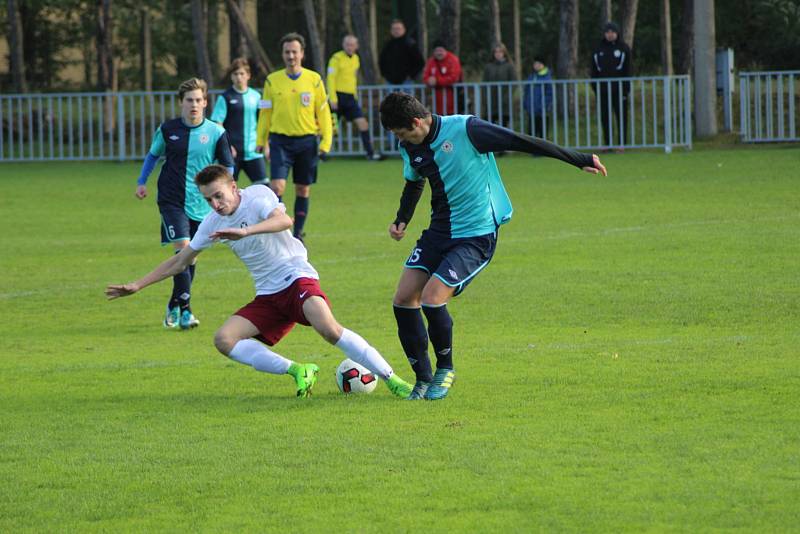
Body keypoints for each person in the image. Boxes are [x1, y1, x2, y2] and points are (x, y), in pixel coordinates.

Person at [107, 165, 414, 399]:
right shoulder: (212, 223)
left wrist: (245, 232)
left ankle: (392, 379)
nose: (214, 204)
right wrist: (137, 284)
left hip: (296, 276)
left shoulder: (258, 195)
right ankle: (298, 370)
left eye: (218, 195)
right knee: (224, 340)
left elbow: (285, 220)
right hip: (268, 294)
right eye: (208, 199)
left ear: (233, 187)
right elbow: (180, 261)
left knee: (328, 328)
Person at [378, 92, 606, 400]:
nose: (401, 140)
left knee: (432, 298)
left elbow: (521, 141)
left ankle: (445, 368)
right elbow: (415, 180)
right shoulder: (410, 146)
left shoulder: (466, 130)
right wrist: (402, 219)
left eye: (402, 133)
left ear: (417, 122)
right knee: (403, 298)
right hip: (438, 232)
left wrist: (578, 159)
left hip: (475, 234)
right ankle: (422, 378)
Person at [135, 77, 234, 330]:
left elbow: (228, 165)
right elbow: (153, 155)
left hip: (203, 203)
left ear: (205, 102)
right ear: (181, 103)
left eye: (199, 100)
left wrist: (226, 190)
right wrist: (142, 181)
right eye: (189, 100)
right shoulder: (168, 129)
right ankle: (187, 310)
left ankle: (174, 303)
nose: (194, 104)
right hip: (171, 199)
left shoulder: (215, 132)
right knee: (184, 248)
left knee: (191, 256)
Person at [256, 32, 332, 243]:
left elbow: (323, 113)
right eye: (287, 52)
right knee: (277, 187)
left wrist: (326, 142)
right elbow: (265, 113)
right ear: (282, 54)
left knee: (302, 188)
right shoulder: (272, 81)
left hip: (307, 141)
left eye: (294, 52)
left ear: (302, 54)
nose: (291, 56)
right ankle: (278, 229)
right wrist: (260, 141)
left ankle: (297, 233)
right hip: (280, 141)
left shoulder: (314, 80)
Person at [211, 57, 269, 186]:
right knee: (227, 191)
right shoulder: (225, 97)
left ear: (248, 75)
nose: (239, 77)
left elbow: (263, 122)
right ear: (231, 77)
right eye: (235, 74)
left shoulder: (257, 96)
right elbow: (217, 124)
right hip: (232, 154)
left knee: (264, 189)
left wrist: (266, 145)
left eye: (242, 74)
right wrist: (227, 146)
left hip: (254, 152)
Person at [327, 35, 384, 161]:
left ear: (356, 46)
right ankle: (321, 154)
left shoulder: (356, 59)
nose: (349, 47)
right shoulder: (336, 58)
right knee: (329, 127)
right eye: (347, 44)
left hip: (350, 98)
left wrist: (355, 96)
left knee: (363, 124)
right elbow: (331, 79)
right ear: (343, 45)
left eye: (352, 44)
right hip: (337, 96)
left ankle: (370, 154)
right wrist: (333, 98)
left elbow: (353, 79)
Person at [590, 22, 632, 149]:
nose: (610, 34)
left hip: (619, 90)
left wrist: (626, 89)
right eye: (608, 32)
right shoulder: (598, 49)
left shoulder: (624, 48)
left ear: (617, 33)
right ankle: (607, 144)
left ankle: (622, 144)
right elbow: (594, 70)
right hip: (603, 90)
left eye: (612, 32)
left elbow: (628, 69)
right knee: (605, 117)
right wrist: (596, 88)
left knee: (621, 116)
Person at [378, 19, 425, 87]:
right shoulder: (387, 45)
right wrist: (385, 75)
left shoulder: (410, 44)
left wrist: (411, 76)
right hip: (390, 82)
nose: (396, 31)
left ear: (404, 30)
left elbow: (420, 62)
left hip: (406, 82)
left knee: (405, 97)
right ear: (391, 30)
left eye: (398, 28)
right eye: (394, 29)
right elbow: (381, 61)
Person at [424, 40, 463, 116]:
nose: (439, 53)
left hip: (452, 97)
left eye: (441, 50)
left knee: (453, 119)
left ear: (445, 50)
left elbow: (454, 77)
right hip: (436, 100)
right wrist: (428, 81)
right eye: (436, 51)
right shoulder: (431, 61)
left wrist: (437, 81)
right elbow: (425, 77)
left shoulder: (453, 59)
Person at [482, 43, 516, 129]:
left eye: (500, 51)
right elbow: (484, 84)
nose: (498, 54)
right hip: (491, 103)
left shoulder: (509, 66)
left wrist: (507, 97)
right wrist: (486, 98)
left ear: (504, 53)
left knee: (503, 129)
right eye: (496, 52)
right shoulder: (488, 67)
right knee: (489, 128)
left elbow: (514, 83)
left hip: (504, 104)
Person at [522, 58, 554, 138]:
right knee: (531, 132)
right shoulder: (531, 76)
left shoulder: (547, 77)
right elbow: (526, 91)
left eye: (539, 64)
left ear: (543, 65)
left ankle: (544, 149)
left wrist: (544, 105)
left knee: (542, 133)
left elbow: (549, 94)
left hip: (542, 110)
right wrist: (525, 103)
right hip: (531, 109)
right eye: (535, 64)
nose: (536, 66)